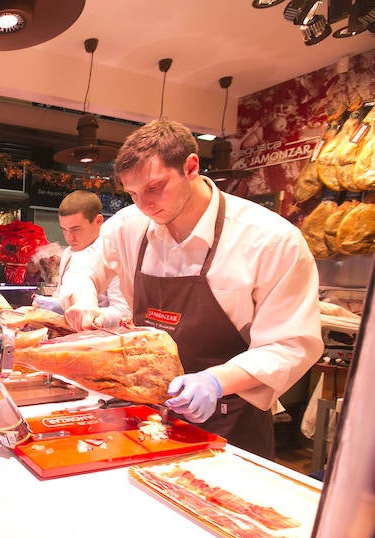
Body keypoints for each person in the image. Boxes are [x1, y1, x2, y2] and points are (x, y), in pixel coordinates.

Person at [62, 119, 323, 458]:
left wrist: (215, 382)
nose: (145, 205)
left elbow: (291, 344)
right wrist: (82, 299)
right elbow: (84, 265)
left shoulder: (269, 239)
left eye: (155, 188)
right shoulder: (131, 224)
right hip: (144, 413)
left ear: (191, 167)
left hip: (230, 423)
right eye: (133, 194)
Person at [45, 190, 130, 327]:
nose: (69, 237)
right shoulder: (68, 253)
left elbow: (124, 312)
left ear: (98, 221)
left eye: (76, 229)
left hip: (100, 340)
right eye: (64, 230)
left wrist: (95, 315)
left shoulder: (114, 254)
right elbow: (63, 293)